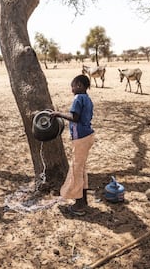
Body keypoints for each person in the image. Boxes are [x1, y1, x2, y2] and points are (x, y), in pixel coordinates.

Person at [51, 74, 95, 216]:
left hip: (80, 138)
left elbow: (75, 118)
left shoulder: (78, 99)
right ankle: (84, 200)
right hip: (88, 136)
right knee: (81, 169)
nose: (72, 89)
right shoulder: (88, 99)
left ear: (80, 86)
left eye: (73, 86)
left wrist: (58, 114)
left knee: (76, 170)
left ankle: (79, 205)